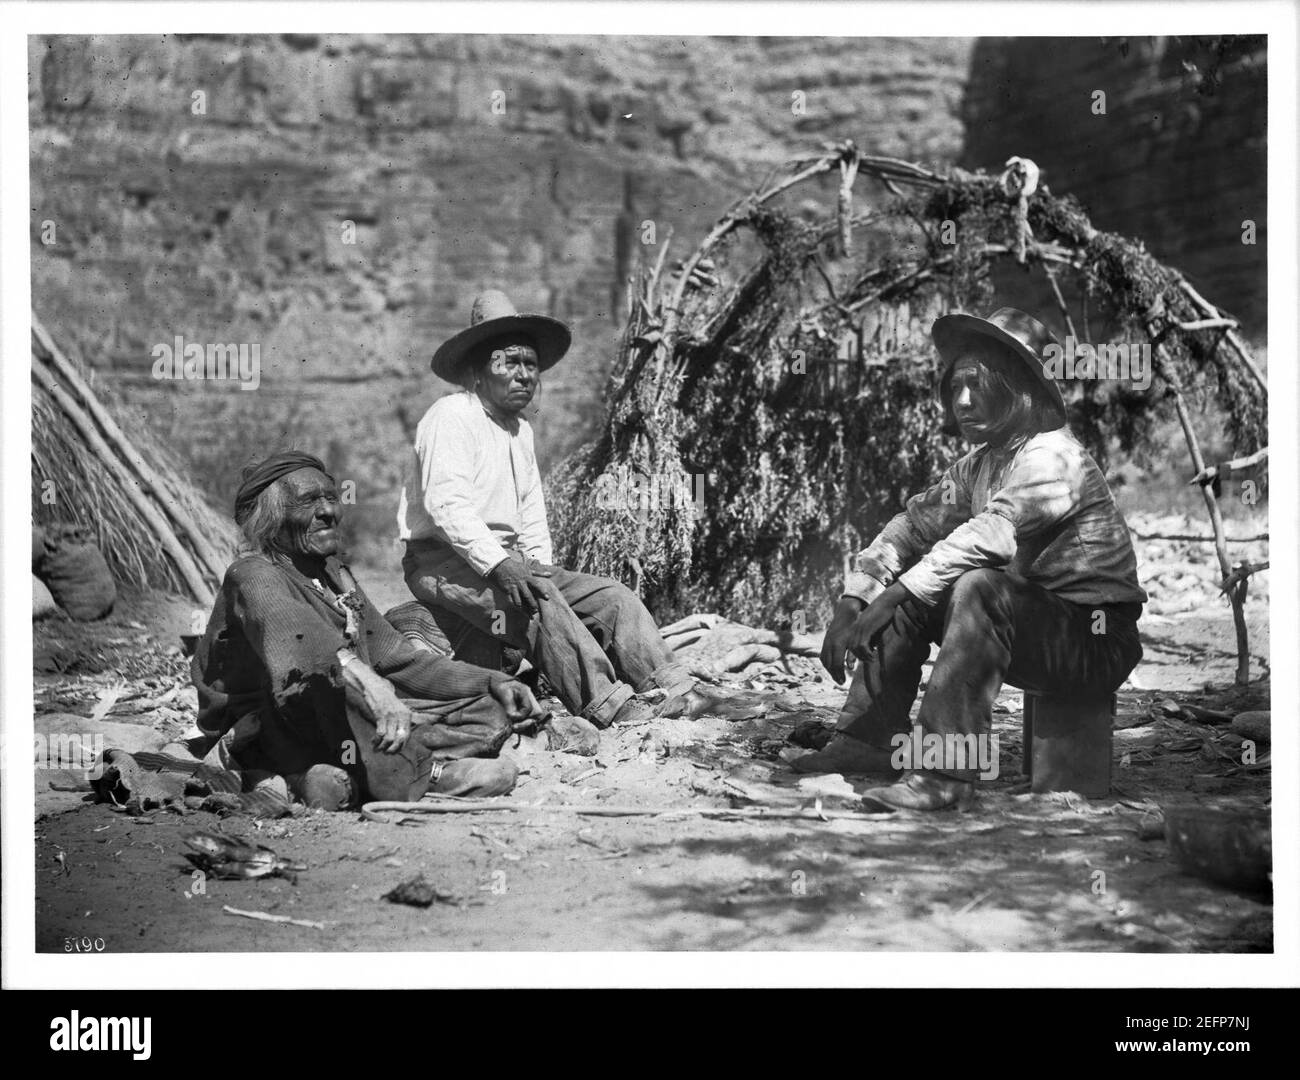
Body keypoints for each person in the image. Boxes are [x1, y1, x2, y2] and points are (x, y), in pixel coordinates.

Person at [796, 308, 1146, 811]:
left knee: (974, 586)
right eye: (955, 386)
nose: (961, 400)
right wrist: (856, 597)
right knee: (923, 593)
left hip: (1095, 639)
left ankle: (944, 775)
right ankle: (867, 740)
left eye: (978, 385)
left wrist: (895, 593)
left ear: (1018, 386)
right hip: (1036, 628)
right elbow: (912, 525)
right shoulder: (981, 463)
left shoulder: (1054, 458)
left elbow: (992, 536)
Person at [398, 289, 707, 731]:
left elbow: (531, 510)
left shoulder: (519, 430)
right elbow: (447, 505)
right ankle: (607, 705)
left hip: (503, 560)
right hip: (443, 560)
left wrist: (538, 566)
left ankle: (676, 688)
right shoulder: (450, 416)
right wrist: (504, 565)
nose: (525, 375)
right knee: (537, 602)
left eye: (530, 364)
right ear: (478, 372)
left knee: (611, 597)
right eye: (510, 362)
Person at [194, 450, 536, 810]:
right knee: (337, 686)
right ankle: (416, 775)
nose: (328, 511)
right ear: (272, 516)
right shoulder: (252, 573)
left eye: (330, 498)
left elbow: (398, 658)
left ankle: (336, 777)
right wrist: (370, 684)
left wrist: (492, 682)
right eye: (309, 501)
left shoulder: (332, 573)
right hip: (268, 724)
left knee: (490, 705)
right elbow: (300, 643)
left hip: (332, 720)